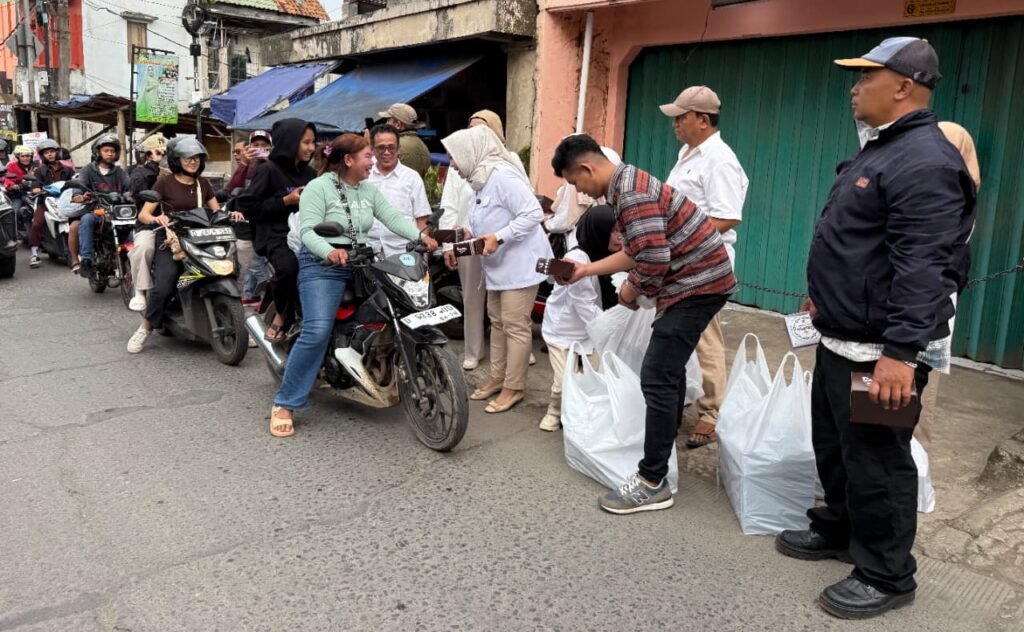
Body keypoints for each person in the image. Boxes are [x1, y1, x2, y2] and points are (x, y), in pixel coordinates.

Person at [772, 38, 976, 620]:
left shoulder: (927, 161)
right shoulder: (883, 150)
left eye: (866, 77)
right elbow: (859, 243)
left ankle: (887, 574)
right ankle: (839, 528)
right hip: (841, 336)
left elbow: (925, 266)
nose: (854, 88)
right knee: (836, 447)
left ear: (904, 86)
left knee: (880, 462)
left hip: (882, 353)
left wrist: (901, 354)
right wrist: (825, 295)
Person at [552, 134, 736, 515]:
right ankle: (660, 460)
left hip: (696, 285)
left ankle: (653, 480)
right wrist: (586, 269)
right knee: (665, 373)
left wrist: (631, 293)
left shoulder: (631, 194)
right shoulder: (629, 183)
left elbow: (651, 260)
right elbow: (636, 252)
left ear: (587, 169)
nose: (579, 192)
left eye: (575, 183)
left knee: (656, 375)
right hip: (696, 283)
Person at [268, 133, 438, 437]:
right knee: (317, 330)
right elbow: (308, 231)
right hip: (322, 264)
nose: (372, 161)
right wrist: (329, 251)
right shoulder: (318, 188)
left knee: (396, 309)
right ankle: (285, 402)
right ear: (348, 160)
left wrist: (419, 237)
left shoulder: (367, 191)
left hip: (362, 261)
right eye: (367, 157)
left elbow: (392, 218)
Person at [660, 85, 749, 450]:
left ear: (702, 119)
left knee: (705, 337)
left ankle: (712, 411)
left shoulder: (720, 160)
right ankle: (683, 397)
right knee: (681, 335)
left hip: (705, 264)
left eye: (681, 118)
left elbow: (727, 217)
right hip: (681, 261)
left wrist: (680, 238)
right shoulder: (688, 153)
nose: (675, 124)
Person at [441, 125, 552, 414]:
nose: (452, 164)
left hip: (521, 264)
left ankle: (513, 387)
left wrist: (499, 236)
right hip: (499, 266)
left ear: (470, 153)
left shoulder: (501, 176)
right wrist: (465, 232)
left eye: (454, 157)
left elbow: (533, 213)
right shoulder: (480, 180)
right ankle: (498, 377)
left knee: (515, 324)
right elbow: (488, 218)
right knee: (498, 321)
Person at [126, 139, 239, 353]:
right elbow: (144, 213)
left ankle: (236, 324)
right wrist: (157, 219)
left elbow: (216, 211)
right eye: (188, 158)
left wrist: (229, 214)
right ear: (177, 160)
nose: (193, 162)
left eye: (196, 158)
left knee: (220, 271)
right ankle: (146, 328)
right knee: (166, 284)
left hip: (200, 237)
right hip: (171, 240)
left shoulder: (203, 184)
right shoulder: (164, 182)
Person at [438, 111, 526, 371]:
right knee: (473, 298)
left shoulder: (510, 160)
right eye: (471, 129)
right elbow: (449, 205)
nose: (475, 135)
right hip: (468, 240)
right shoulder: (459, 164)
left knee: (507, 300)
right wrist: (448, 244)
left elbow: (523, 200)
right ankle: (473, 350)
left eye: (481, 129)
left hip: (502, 242)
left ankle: (517, 350)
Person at [913, 122, 981, 452]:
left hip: (925, 312)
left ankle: (911, 468)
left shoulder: (951, 198)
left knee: (917, 390)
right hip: (913, 310)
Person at [539, 205, 621, 431]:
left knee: (589, 377)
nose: (619, 236)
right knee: (563, 380)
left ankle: (577, 413)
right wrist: (613, 326)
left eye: (621, 230)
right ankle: (554, 411)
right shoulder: (576, 259)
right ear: (599, 230)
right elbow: (583, 304)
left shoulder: (613, 256)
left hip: (591, 329)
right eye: (614, 231)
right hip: (563, 331)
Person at [239, 119, 317, 343]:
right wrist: (286, 200)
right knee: (289, 267)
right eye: (306, 142)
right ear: (290, 142)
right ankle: (283, 316)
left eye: (313, 142)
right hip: (275, 235)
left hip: (305, 233)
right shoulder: (268, 170)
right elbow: (249, 206)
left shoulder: (311, 174)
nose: (311, 148)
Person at [366, 124, 432, 256]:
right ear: (372, 149)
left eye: (391, 147)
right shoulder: (364, 176)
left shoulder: (411, 177)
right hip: (370, 253)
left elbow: (422, 219)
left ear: (399, 149)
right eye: (381, 148)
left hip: (405, 252)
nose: (386, 152)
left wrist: (423, 257)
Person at [544, 144, 622, 252]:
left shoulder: (579, 185)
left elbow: (564, 221)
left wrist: (546, 225)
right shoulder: (619, 188)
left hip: (581, 245)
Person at [72, 135, 131, 277]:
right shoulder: (87, 170)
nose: (109, 154)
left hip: (117, 212)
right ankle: (86, 259)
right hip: (97, 211)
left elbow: (129, 187)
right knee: (86, 219)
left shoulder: (120, 172)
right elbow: (79, 187)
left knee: (134, 225)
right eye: (106, 150)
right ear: (98, 152)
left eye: (112, 151)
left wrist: (131, 194)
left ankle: (133, 256)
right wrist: (79, 196)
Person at [126, 134, 168, 311]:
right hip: (151, 221)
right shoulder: (141, 175)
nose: (162, 156)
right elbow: (142, 203)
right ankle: (140, 291)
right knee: (143, 249)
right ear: (148, 155)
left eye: (166, 153)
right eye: (158, 153)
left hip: (181, 221)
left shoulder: (181, 171)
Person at [27, 139, 75, 268]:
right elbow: (35, 184)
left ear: (57, 153)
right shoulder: (39, 171)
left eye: (52, 151)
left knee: (79, 221)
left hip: (65, 201)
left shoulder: (68, 169)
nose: (50, 154)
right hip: (46, 201)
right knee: (37, 223)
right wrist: (36, 189)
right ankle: (34, 253)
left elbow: (76, 181)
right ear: (43, 155)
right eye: (47, 152)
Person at [379, 103, 431, 178]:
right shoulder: (424, 146)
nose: (386, 124)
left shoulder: (395, 147)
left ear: (398, 125)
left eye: (388, 120)